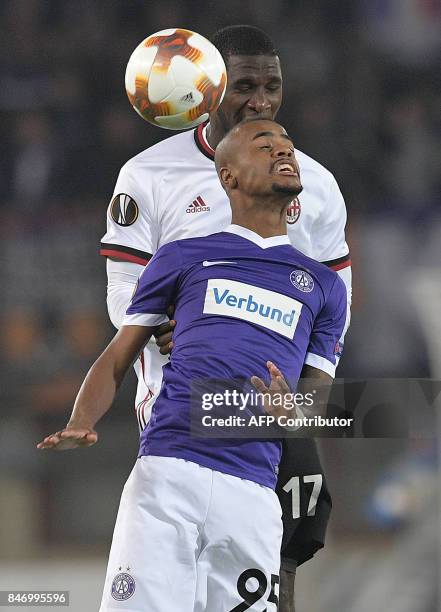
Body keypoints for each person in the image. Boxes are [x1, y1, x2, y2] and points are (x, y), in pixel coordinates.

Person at [38, 118, 347, 611]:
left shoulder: (325, 288)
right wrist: (81, 420)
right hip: (167, 474)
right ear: (228, 177)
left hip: (252, 490)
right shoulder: (183, 256)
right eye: (263, 145)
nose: (283, 151)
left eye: (288, 144)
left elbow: (316, 405)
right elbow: (121, 353)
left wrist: (293, 414)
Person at [100, 25, 351, 610]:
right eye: (244, 86)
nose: (260, 100)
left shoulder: (315, 183)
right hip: (182, 403)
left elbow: (334, 301)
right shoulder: (148, 176)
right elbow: (122, 295)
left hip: (271, 401)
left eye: (272, 86)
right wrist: (169, 322)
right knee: (174, 583)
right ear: (207, 88)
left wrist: (310, 395)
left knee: (277, 566)